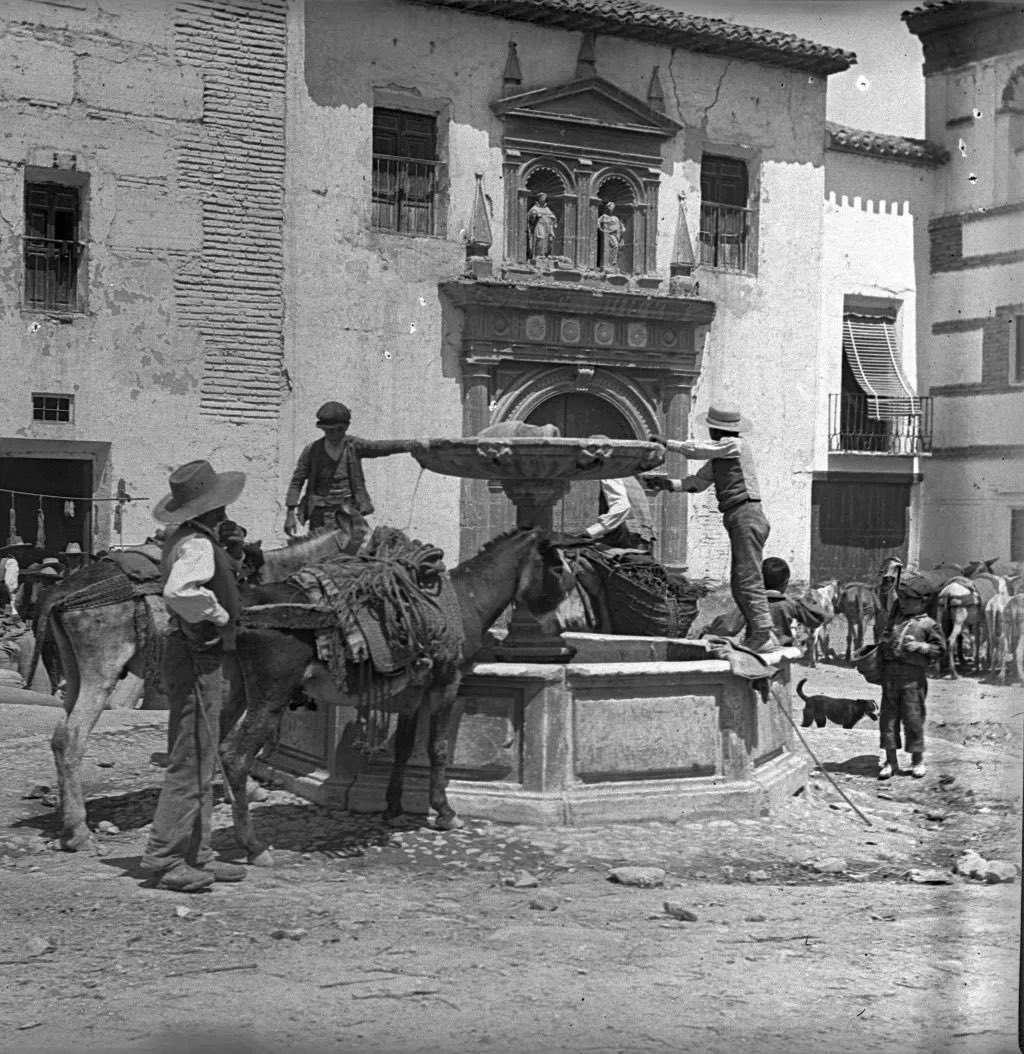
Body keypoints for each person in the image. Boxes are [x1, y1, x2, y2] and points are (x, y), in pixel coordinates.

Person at [140, 460, 250, 893]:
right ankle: (165, 856)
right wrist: (220, 615)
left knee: (203, 754)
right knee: (191, 756)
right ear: (205, 511)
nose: (223, 514)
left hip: (191, 652)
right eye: (218, 507)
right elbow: (180, 591)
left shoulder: (187, 539)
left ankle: (198, 853)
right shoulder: (198, 546)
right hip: (195, 652)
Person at [643, 404, 779, 654]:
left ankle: (763, 633)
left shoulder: (733, 446)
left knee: (748, 577)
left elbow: (697, 450)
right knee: (740, 580)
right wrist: (666, 484)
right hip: (739, 516)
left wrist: (668, 443)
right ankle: (759, 632)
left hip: (746, 513)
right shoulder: (721, 455)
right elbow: (697, 483)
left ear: (717, 430)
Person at [284, 401, 414, 541]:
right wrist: (290, 514)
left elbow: (379, 447)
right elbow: (297, 482)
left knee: (352, 554)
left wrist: (408, 445)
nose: (334, 435)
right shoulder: (312, 451)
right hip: (320, 515)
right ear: (322, 429)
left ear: (346, 427)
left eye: (339, 430)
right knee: (321, 556)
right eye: (330, 431)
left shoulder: (354, 446)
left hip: (349, 513)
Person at [876, 573, 947, 781]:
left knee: (913, 719)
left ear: (923, 601)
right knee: (887, 721)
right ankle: (890, 761)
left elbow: (940, 648)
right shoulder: (895, 621)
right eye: (902, 598)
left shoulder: (928, 624)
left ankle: (917, 760)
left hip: (913, 680)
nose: (904, 603)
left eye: (909, 599)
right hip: (890, 678)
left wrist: (921, 646)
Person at [700, 557, 829, 647]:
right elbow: (816, 619)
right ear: (786, 583)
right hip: (781, 654)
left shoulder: (751, 603)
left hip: (757, 654)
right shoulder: (790, 604)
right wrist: (812, 599)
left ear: (760, 581)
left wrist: (706, 629)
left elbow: (728, 627)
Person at [583, 477, 655, 552]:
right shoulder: (630, 478)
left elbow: (622, 506)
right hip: (643, 538)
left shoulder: (611, 475)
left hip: (626, 537)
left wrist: (592, 531)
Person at [527, 192, 557, 259]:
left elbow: (553, 216)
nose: (544, 199)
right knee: (540, 238)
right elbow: (530, 218)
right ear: (539, 198)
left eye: (545, 198)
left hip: (547, 226)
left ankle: (546, 254)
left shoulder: (547, 209)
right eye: (542, 197)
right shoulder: (534, 208)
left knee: (548, 240)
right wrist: (535, 216)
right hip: (539, 225)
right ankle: (538, 254)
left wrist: (553, 218)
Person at [597, 201, 625, 271]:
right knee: (615, 246)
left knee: (617, 246)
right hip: (609, 234)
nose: (612, 209)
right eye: (611, 207)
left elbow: (621, 227)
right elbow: (597, 222)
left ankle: (613, 263)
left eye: (613, 207)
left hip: (616, 234)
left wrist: (622, 231)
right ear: (607, 208)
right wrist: (601, 229)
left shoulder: (615, 217)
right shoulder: (604, 216)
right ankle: (611, 263)